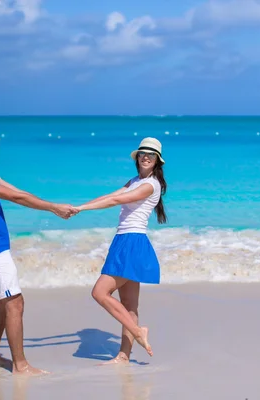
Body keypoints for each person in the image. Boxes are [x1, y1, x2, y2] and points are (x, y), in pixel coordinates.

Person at [0, 122, 77, 375]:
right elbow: (16, 198)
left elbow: (16, 190)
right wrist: (53, 207)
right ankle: (20, 365)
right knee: (15, 304)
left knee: (3, 303)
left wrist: (52, 203)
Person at [74, 137, 168, 362]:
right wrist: (80, 206)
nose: (146, 157)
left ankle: (138, 332)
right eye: (143, 153)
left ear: (157, 161)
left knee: (99, 292)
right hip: (125, 241)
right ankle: (124, 356)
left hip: (132, 243)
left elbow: (116, 200)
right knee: (129, 305)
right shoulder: (135, 180)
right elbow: (110, 195)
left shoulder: (150, 185)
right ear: (137, 157)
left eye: (151, 154)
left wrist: (82, 208)